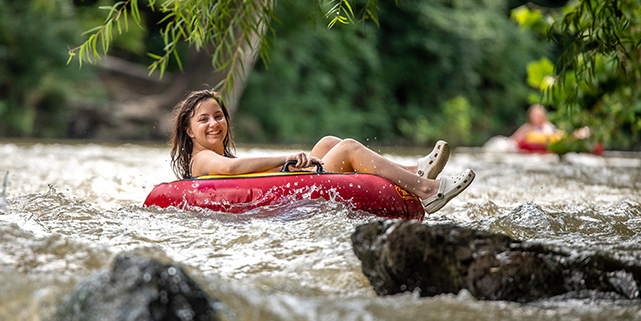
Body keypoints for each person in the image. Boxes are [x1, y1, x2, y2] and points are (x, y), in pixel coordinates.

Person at [169, 90, 475, 214]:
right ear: (188, 130)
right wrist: (286, 158)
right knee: (348, 148)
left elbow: (245, 172)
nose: (214, 124)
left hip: (281, 185)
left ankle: (412, 172)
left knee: (328, 142)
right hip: (285, 194)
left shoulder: (214, 154)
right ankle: (427, 189)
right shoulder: (201, 158)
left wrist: (287, 165)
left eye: (218, 116)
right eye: (204, 119)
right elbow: (232, 171)